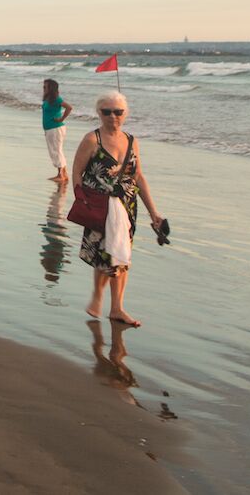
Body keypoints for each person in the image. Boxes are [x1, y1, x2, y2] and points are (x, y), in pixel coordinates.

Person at [72, 93, 165, 328]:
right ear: (99, 113)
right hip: (100, 206)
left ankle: (117, 308)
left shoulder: (132, 141)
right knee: (105, 254)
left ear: (126, 113)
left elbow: (138, 177)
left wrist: (154, 213)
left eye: (118, 111)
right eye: (106, 111)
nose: (113, 116)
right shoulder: (92, 140)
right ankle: (98, 295)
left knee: (121, 256)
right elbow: (76, 174)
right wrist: (83, 202)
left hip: (126, 206)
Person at [42, 79, 73, 183]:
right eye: (43, 87)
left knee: (56, 151)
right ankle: (63, 174)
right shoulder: (48, 99)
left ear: (51, 88)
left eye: (45, 87)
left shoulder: (56, 99)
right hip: (50, 129)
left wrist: (62, 119)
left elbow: (69, 107)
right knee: (55, 150)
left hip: (55, 128)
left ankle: (61, 175)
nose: (44, 88)